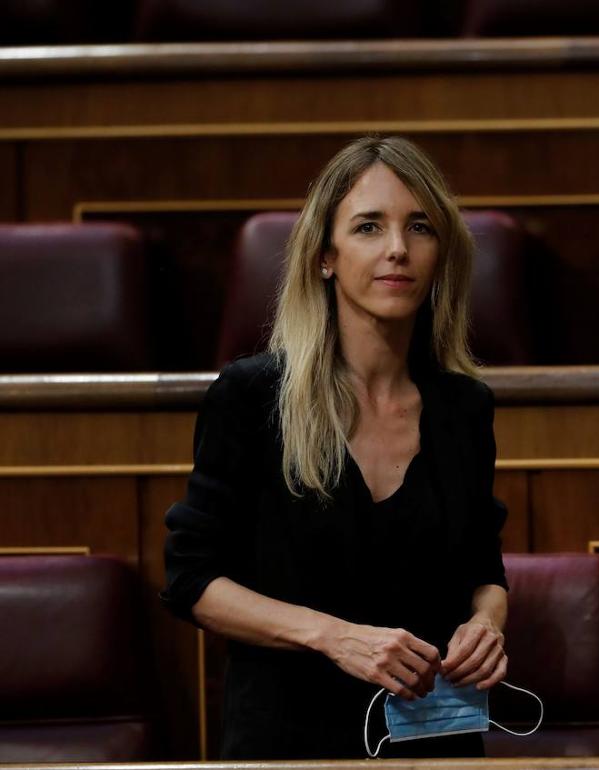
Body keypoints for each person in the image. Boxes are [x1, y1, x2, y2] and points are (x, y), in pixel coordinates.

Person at [162, 136, 509, 759]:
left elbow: (484, 571)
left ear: (440, 255)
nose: (397, 249)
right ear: (325, 255)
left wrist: (487, 623)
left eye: (420, 227)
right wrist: (333, 636)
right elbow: (192, 580)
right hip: (287, 741)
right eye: (370, 227)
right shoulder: (252, 396)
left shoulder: (464, 407)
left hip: (433, 739)